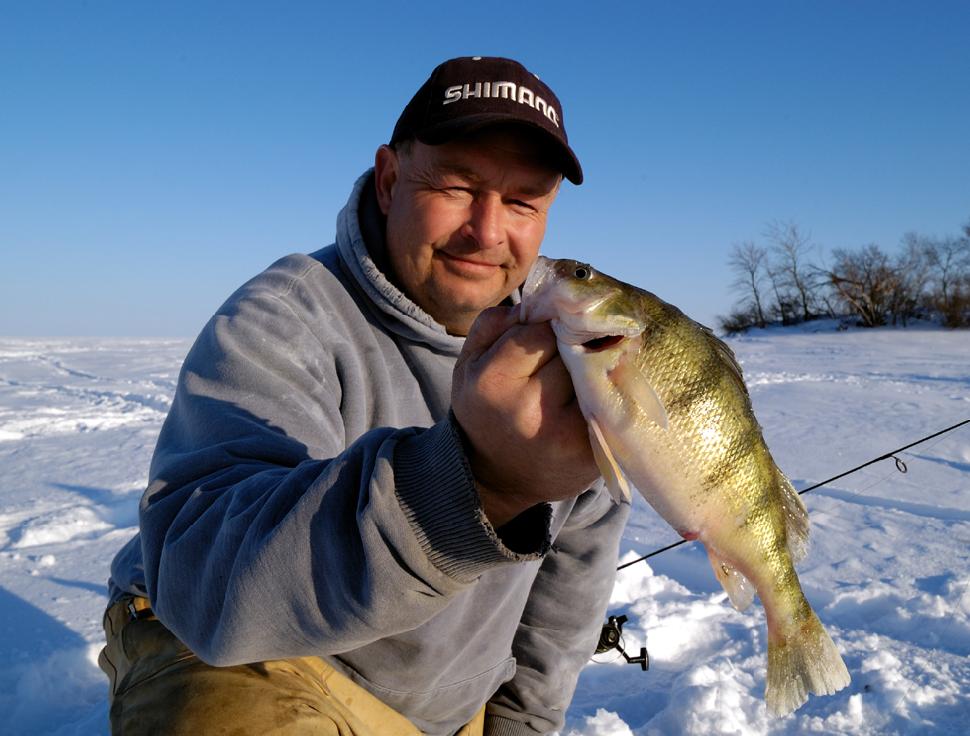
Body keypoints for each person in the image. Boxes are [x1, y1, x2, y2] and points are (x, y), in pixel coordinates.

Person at [100, 56, 630, 736]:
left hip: (435, 706)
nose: (487, 231)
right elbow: (208, 588)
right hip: (248, 658)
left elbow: (568, 592)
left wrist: (522, 726)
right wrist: (482, 484)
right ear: (388, 180)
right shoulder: (289, 316)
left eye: (523, 201)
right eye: (456, 185)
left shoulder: (573, 360)